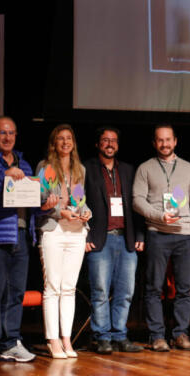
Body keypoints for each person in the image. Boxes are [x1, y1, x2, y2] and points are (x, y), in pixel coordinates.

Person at [0, 117, 56, 364]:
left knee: (16, 293)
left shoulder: (27, 165)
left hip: (21, 234)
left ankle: (10, 342)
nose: (7, 137)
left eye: (11, 133)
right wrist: (4, 176)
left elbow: (31, 204)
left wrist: (44, 206)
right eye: (2, 133)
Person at [132, 124, 190, 352]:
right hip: (157, 234)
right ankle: (157, 336)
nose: (165, 144)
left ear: (175, 142)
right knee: (154, 288)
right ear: (154, 143)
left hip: (184, 235)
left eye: (168, 140)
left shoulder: (188, 168)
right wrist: (158, 216)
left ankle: (180, 334)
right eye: (160, 140)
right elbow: (137, 200)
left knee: (184, 288)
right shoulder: (145, 168)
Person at [84, 127, 145, 354]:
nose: (109, 143)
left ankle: (120, 335)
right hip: (100, 239)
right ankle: (102, 337)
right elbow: (78, 201)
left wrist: (140, 235)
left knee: (126, 291)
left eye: (113, 140)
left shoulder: (128, 170)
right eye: (105, 140)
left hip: (126, 239)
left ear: (118, 144)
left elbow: (137, 206)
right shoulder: (87, 169)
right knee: (100, 290)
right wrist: (85, 235)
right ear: (98, 144)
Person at [36, 124, 92, 359]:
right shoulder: (46, 168)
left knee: (69, 288)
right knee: (53, 287)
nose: (65, 142)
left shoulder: (80, 169)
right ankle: (53, 340)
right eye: (61, 139)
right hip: (54, 231)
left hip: (77, 231)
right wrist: (61, 213)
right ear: (54, 143)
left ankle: (67, 340)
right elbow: (41, 201)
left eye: (69, 138)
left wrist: (86, 211)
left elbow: (80, 200)